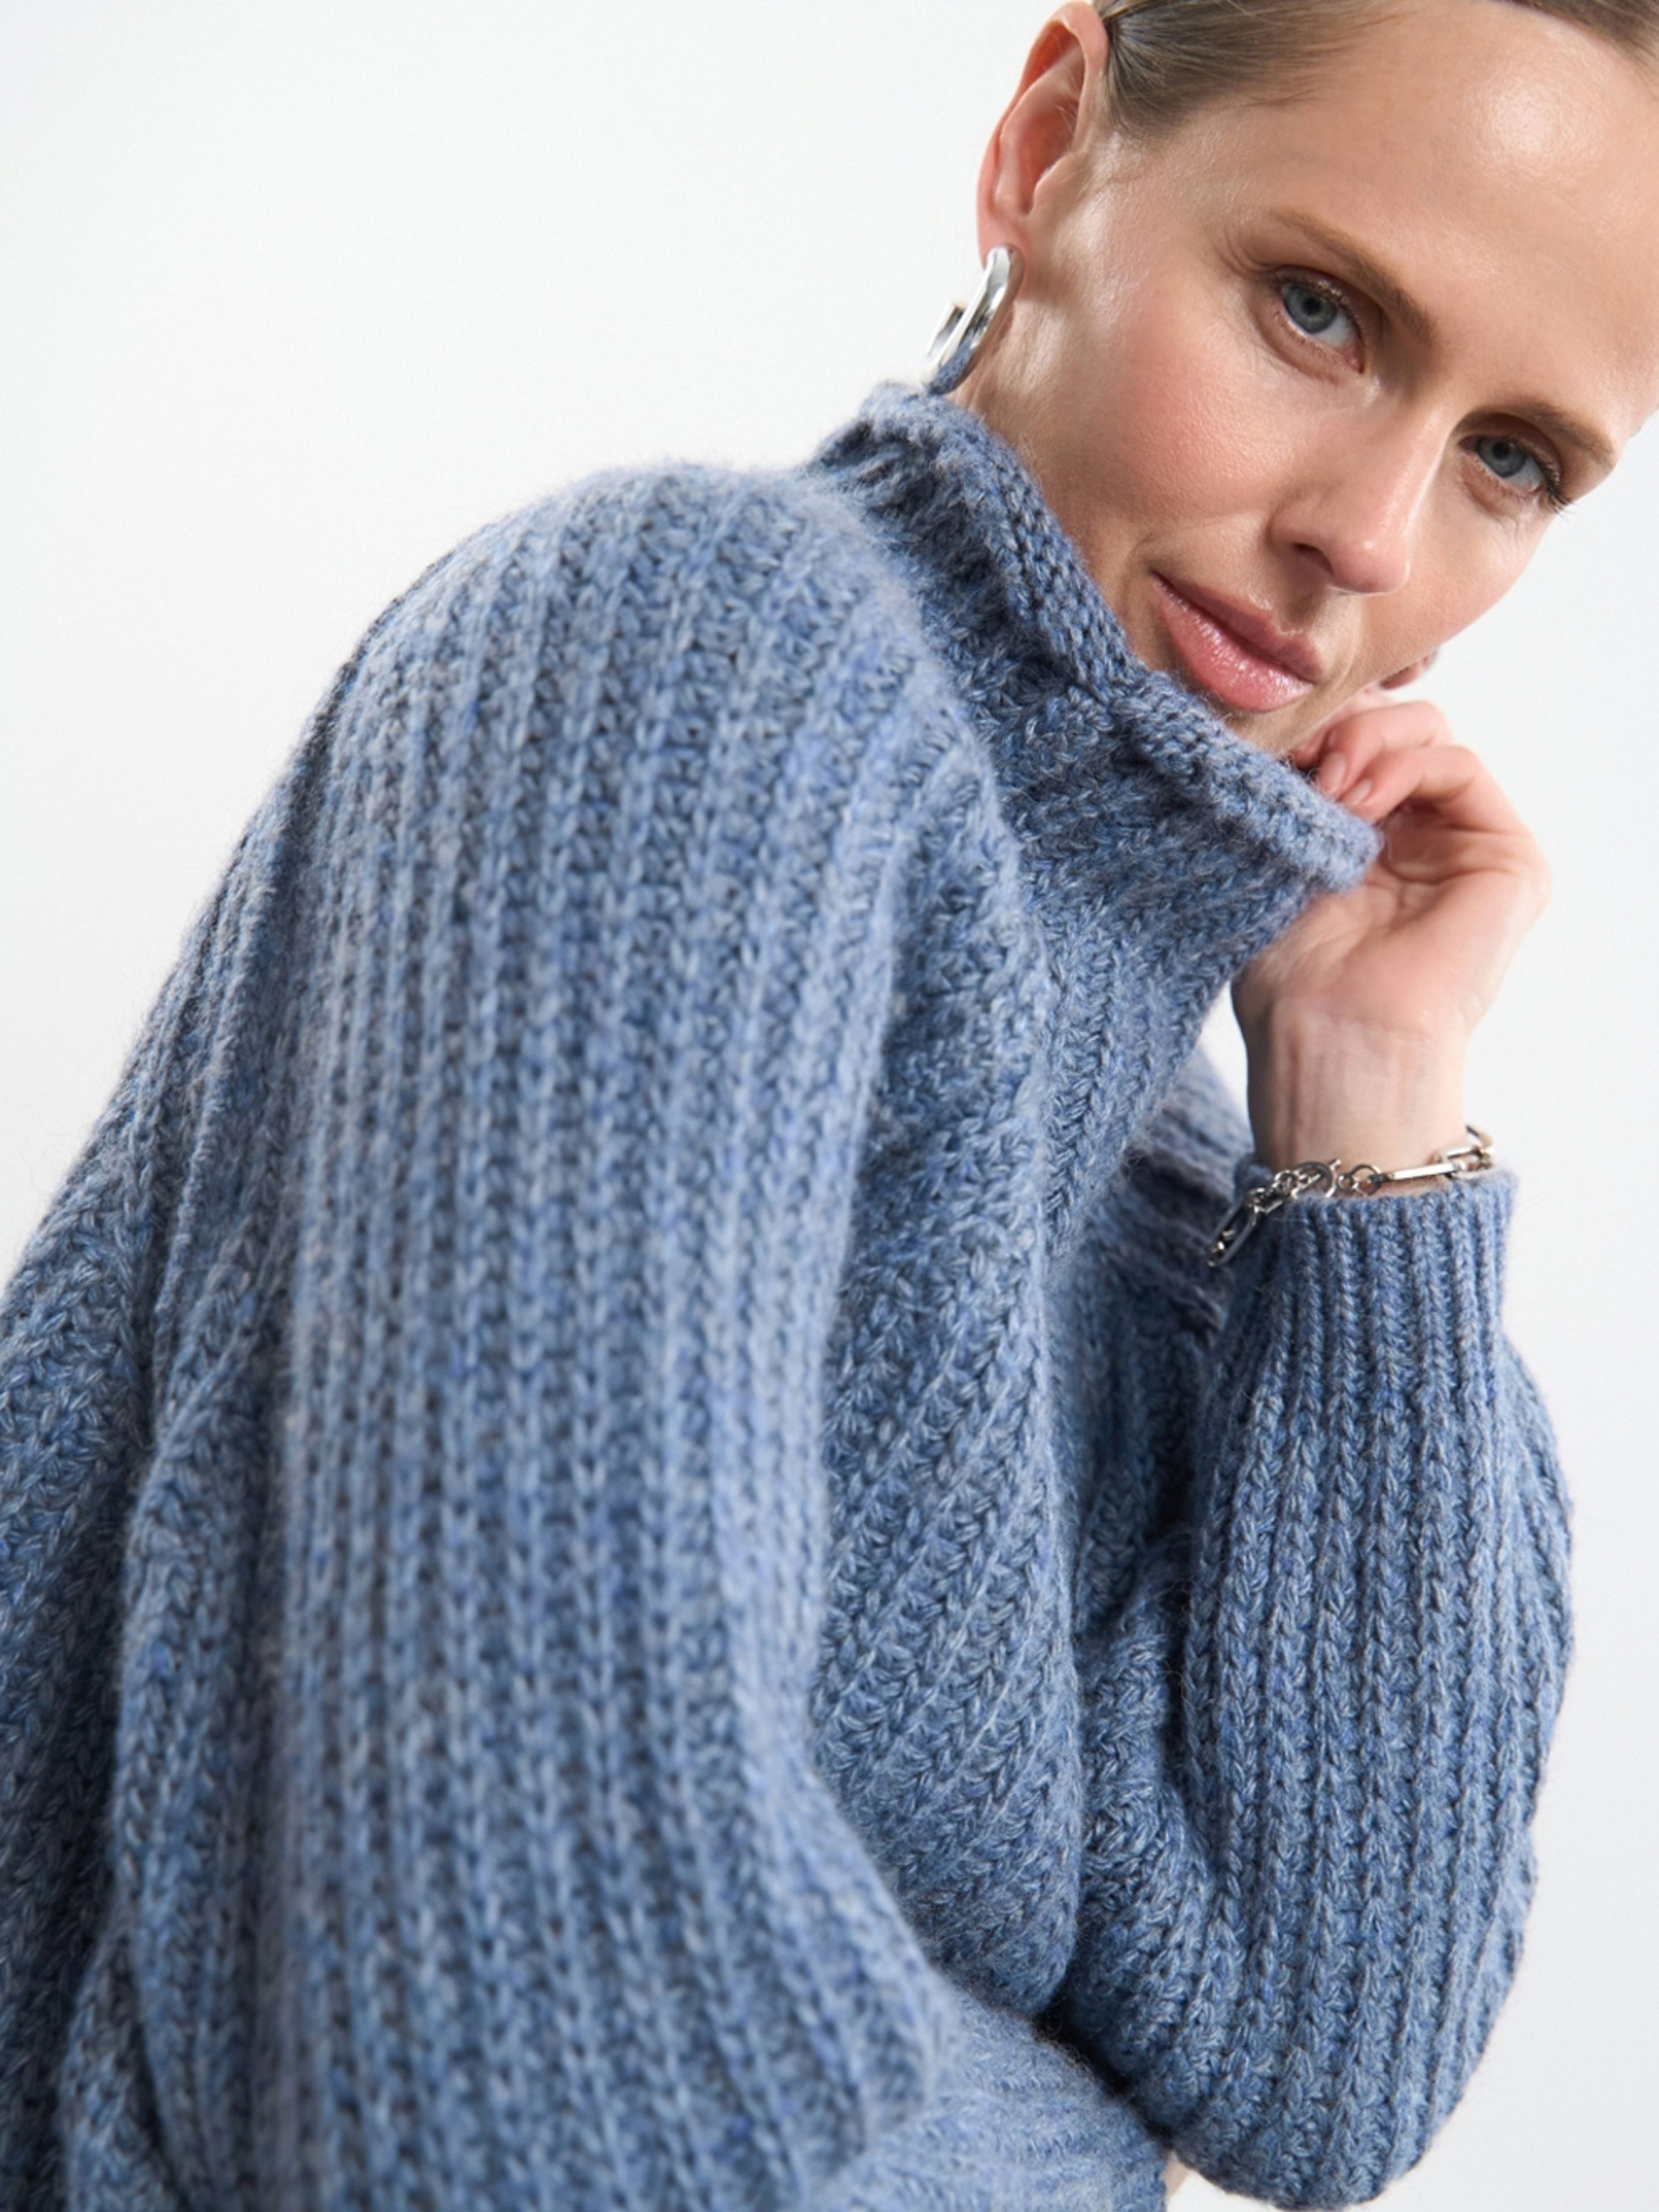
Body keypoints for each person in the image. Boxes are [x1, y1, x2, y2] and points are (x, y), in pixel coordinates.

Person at [2, 0, 1655, 2205]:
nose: (1371, 537)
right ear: (1046, 148)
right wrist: (1087, 2152)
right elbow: (518, 2095)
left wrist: (1365, 1109)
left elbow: (1314, 2071)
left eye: (1510, 459)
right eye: (1317, 311)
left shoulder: (1188, 1173)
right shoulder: (689, 671)